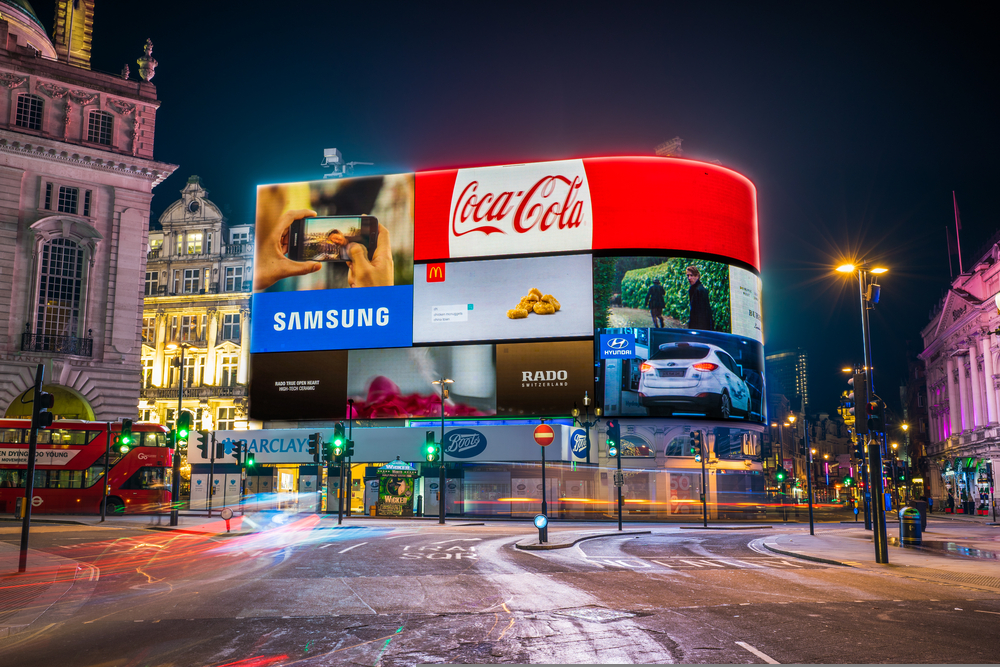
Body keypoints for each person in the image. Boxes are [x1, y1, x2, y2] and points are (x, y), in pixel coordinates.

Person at [253, 209, 394, 291]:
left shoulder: (356, 243)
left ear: (340, 233)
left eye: (336, 237)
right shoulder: (336, 251)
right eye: (333, 241)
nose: (336, 241)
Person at [686, 265, 714, 331]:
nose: (689, 278)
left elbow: (704, 314)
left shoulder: (700, 290)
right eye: (688, 276)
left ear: (697, 276)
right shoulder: (693, 289)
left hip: (701, 327)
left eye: (691, 275)